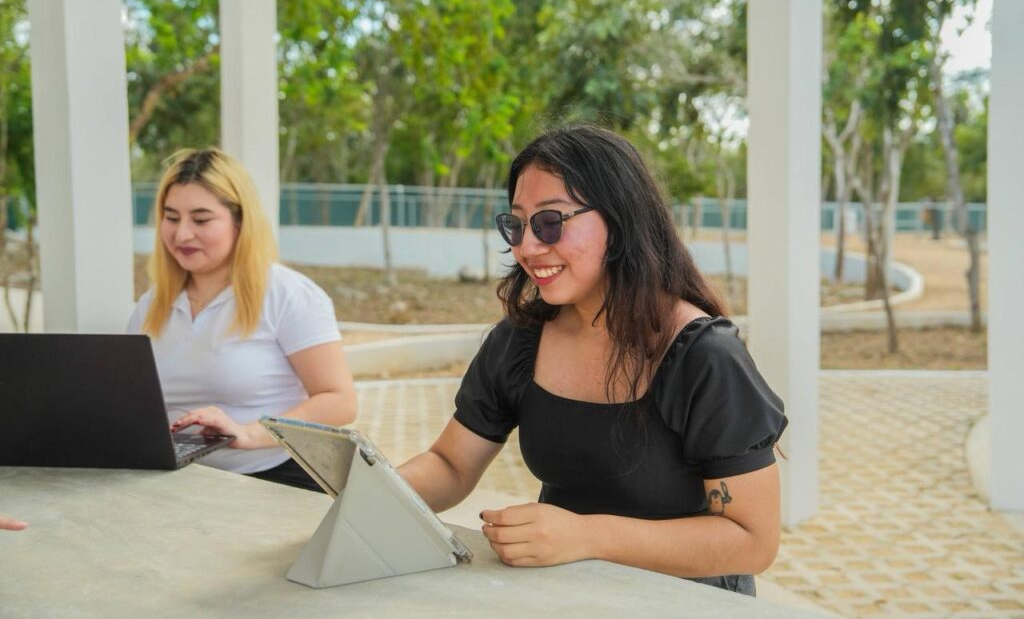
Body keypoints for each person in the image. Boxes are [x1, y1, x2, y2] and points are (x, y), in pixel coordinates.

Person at [398, 125, 787, 595]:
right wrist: (374, 495)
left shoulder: (702, 356)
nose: (526, 246)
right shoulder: (521, 341)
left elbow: (752, 541)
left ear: (620, 221)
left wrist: (587, 536)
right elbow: (451, 464)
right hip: (572, 597)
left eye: (550, 222)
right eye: (518, 224)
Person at [127, 148, 357, 491]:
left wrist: (248, 433)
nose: (182, 234)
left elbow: (340, 401)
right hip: (177, 484)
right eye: (171, 217)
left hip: (273, 480)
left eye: (201, 220)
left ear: (240, 221)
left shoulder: (288, 295)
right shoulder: (151, 306)